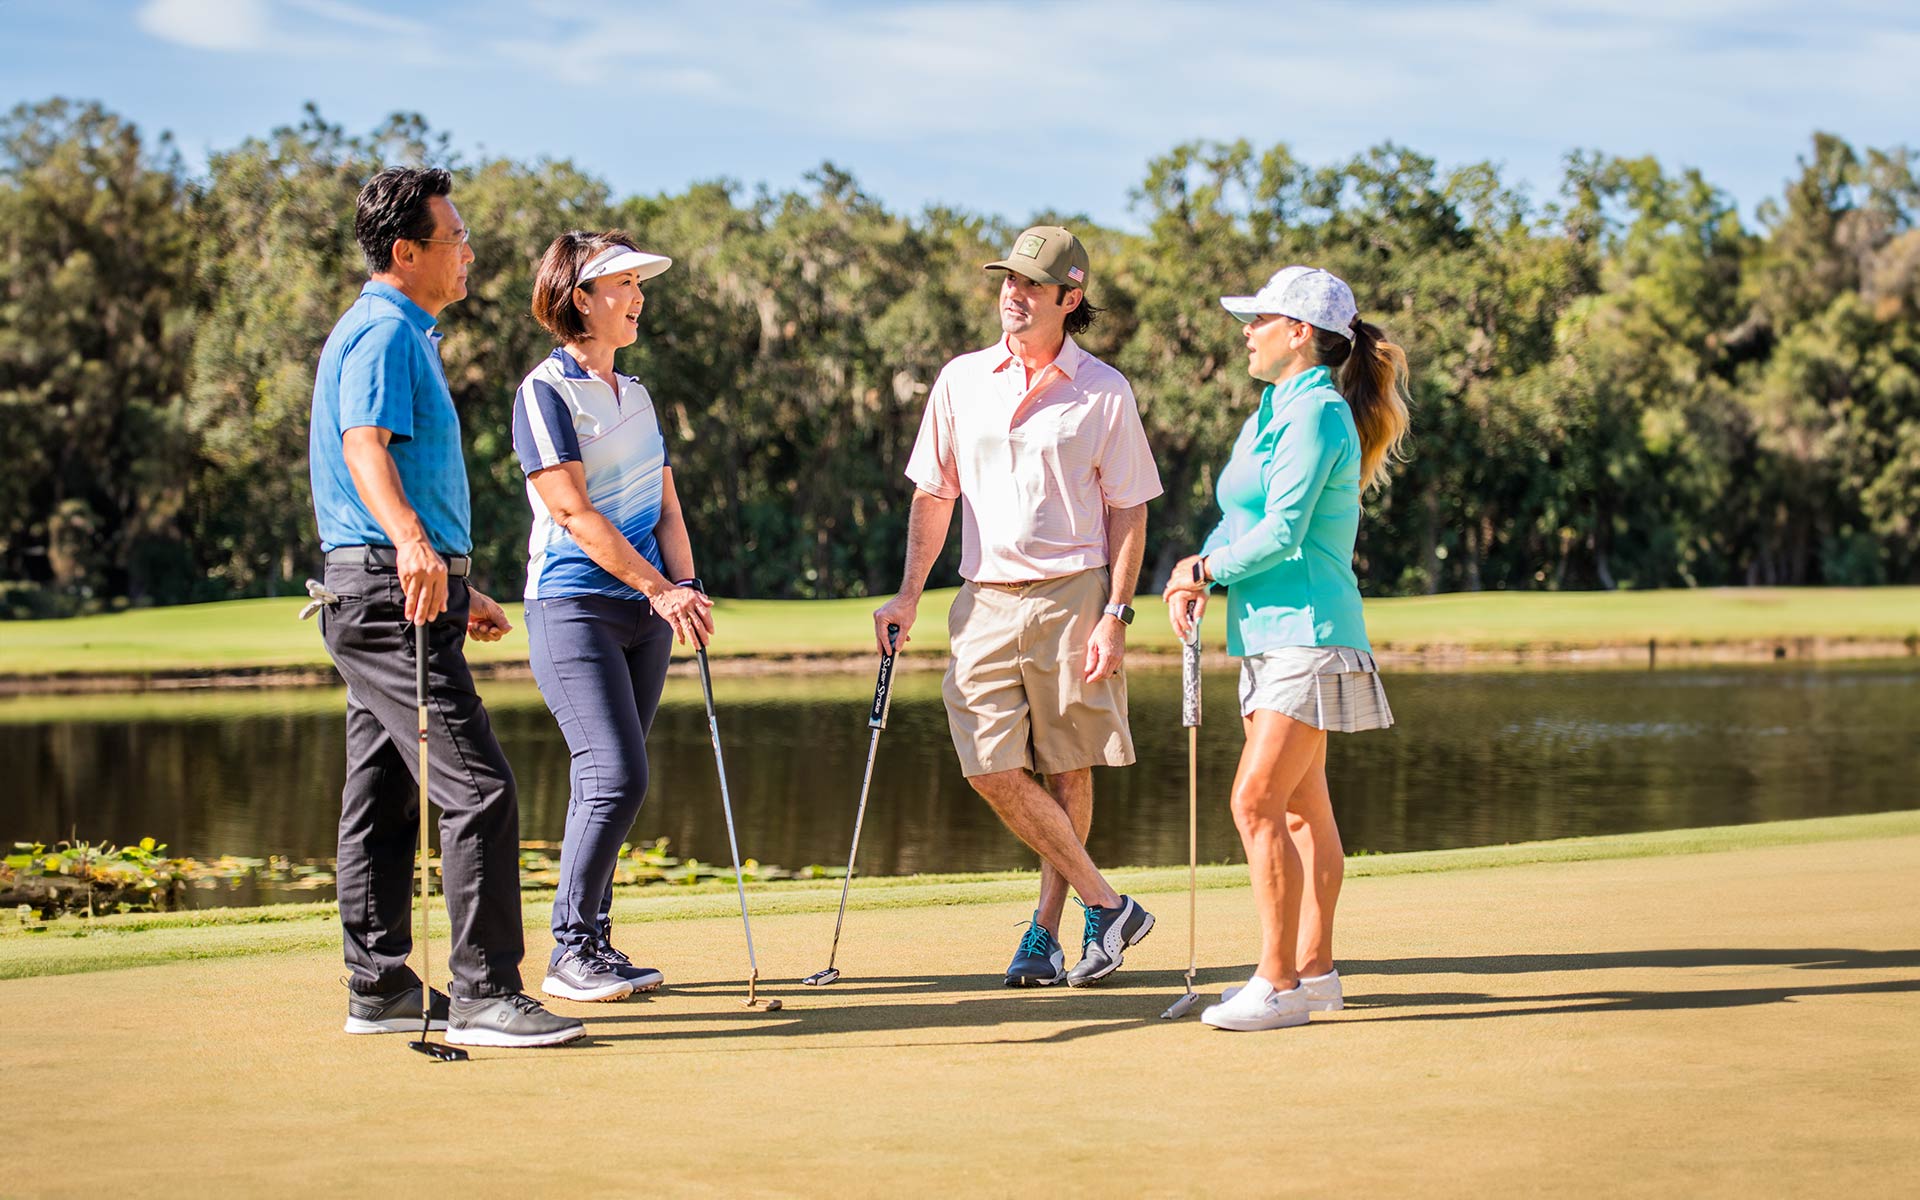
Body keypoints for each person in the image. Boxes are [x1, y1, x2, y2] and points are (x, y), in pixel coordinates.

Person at [309, 166, 582, 1048]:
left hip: (391, 585)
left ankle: (380, 984)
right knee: (480, 789)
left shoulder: (404, 332)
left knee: (382, 795)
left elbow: (396, 468)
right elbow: (365, 448)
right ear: (406, 251)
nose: (468, 250)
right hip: (391, 589)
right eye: (454, 237)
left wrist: (456, 582)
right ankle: (485, 993)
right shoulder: (385, 330)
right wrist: (415, 550)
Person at [873, 225, 1163, 987]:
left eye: (1033, 285)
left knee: (1068, 766)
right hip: (982, 597)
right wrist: (908, 592)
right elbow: (935, 493)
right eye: (1009, 280)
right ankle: (1109, 903)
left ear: (1070, 299)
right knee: (988, 766)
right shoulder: (962, 379)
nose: (1015, 294)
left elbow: (1130, 509)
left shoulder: (1104, 390)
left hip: (1075, 594)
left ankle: (1047, 933)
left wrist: (1117, 613)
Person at [1161, 266, 1410, 1032]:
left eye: (1260, 319)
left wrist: (1209, 570)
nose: (1246, 332)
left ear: (1299, 332)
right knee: (1303, 812)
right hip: (1267, 638)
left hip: (1312, 634)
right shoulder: (1272, 410)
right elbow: (1239, 518)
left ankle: (1276, 983)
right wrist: (1197, 567)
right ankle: (1317, 972)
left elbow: (1284, 533)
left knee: (1255, 800)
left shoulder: (1318, 415)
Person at [511, 231, 715, 1003]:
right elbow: (571, 511)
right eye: (622, 285)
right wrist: (660, 589)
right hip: (572, 609)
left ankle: (592, 940)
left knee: (606, 779)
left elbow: (664, 503)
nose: (637, 298)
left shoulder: (638, 393)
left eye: (637, 285)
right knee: (616, 775)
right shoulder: (545, 392)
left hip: (645, 614)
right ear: (580, 298)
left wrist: (684, 584)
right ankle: (570, 952)